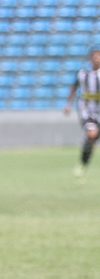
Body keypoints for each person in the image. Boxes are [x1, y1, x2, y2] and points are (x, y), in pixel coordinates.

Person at [64, 48, 100, 181]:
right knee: (92, 134)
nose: (97, 59)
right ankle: (82, 163)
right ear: (90, 59)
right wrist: (68, 104)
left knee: (93, 139)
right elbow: (73, 87)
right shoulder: (82, 74)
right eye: (95, 57)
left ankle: (86, 151)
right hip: (88, 111)